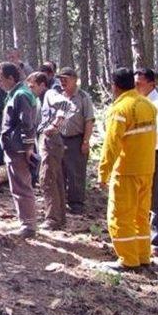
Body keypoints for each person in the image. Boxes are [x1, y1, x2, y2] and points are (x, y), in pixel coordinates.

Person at [98, 68, 156, 271]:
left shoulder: (120, 109)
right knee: (141, 215)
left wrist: (103, 172)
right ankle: (143, 256)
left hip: (127, 171)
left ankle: (128, 260)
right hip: (147, 170)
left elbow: (112, 144)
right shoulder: (147, 105)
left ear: (114, 86)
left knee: (120, 215)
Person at [134, 68, 158, 257]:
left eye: (140, 82)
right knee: (144, 195)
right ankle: (144, 235)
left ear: (152, 83)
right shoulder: (140, 102)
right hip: (142, 153)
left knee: (157, 195)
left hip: (157, 153)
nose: (137, 86)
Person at [0, 62, 38, 238]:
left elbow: (27, 124)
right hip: (14, 147)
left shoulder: (21, 95)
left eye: (0, 80)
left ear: (11, 78)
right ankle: (26, 221)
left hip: (19, 149)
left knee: (21, 186)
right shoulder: (16, 94)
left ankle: (28, 225)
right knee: (18, 186)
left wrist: (27, 148)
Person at [28, 72, 70, 229]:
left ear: (42, 85)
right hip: (48, 139)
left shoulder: (50, 94)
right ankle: (59, 217)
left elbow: (65, 104)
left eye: (33, 86)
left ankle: (52, 218)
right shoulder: (41, 99)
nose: (30, 89)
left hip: (50, 140)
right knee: (56, 177)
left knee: (46, 178)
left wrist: (56, 124)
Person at [57, 67, 95, 214]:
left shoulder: (83, 97)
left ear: (74, 80)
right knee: (60, 171)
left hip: (76, 139)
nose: (62, 82)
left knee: (76, 172)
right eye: (60, 79)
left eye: (65, 79)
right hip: (59, 139)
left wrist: (86, 141)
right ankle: (61, 201)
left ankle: (76, 203)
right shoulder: (59, 96)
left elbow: (89, 120)